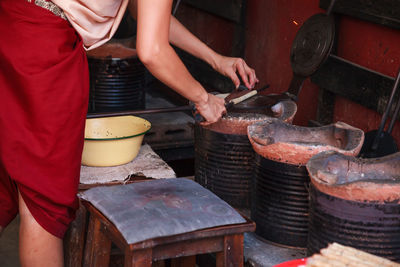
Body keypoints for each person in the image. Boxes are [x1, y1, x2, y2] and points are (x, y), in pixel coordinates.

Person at [0, 0, 258, 266]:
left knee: (4, 182)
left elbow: (145, 11)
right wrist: (203, 99)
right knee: (42, 206)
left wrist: (215, 59)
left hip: (11, 20)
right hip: (40, 44)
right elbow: (152, 51)